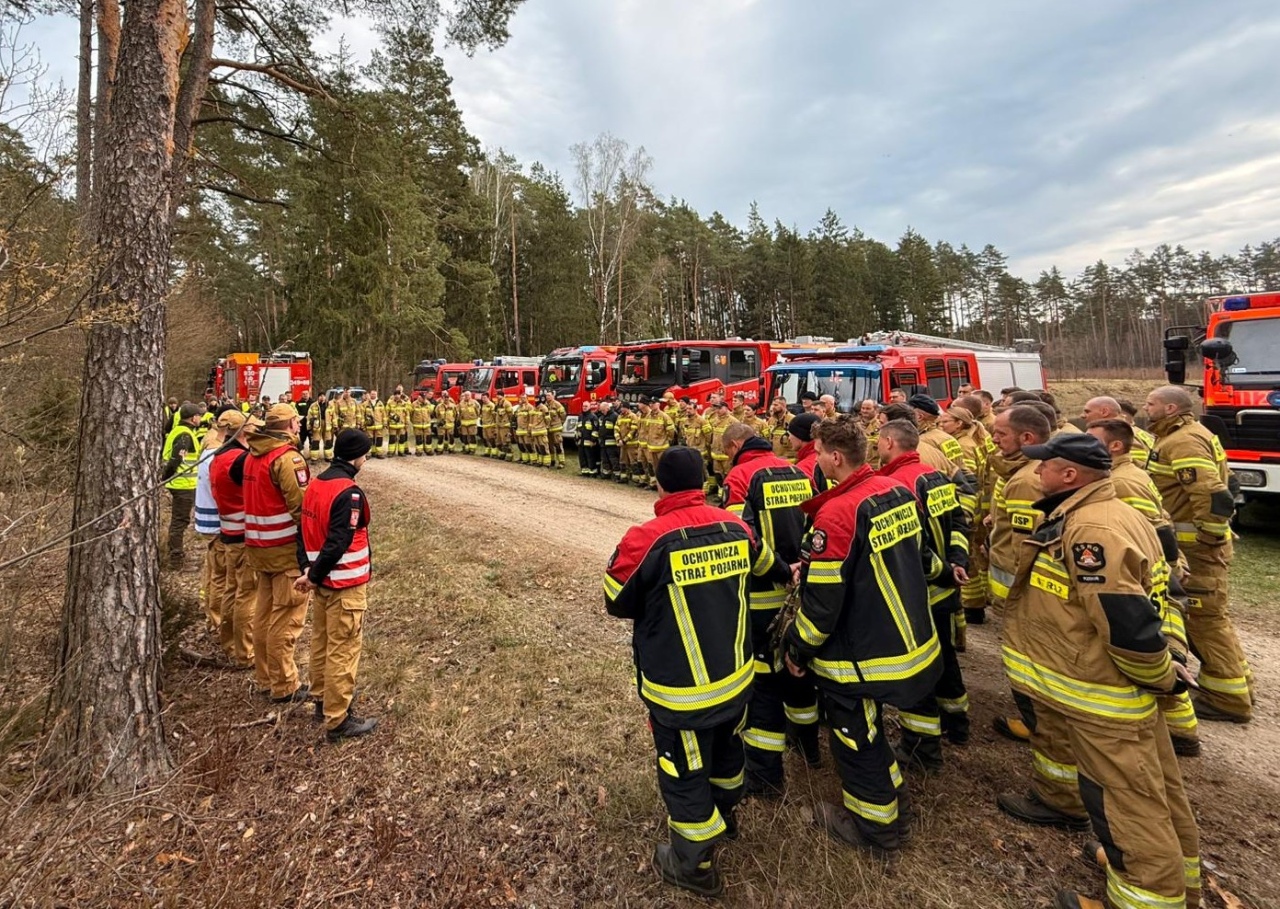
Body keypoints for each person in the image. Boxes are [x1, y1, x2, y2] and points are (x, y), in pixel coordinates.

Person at [996, 434, 1200, 909]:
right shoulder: (1104, 513)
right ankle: (1173, 882)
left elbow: (1126, 623)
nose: (1037, 473)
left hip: (1103, 691)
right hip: (1099, 687)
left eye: (1044, 466)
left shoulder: (1093, 532)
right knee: (1153, 792)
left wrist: (1158, 676)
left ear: (1070, 475)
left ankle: (1145, 895)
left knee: (1126, 802)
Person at [604, 447, 791, 897]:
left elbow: (616, 598)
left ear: (659, 485)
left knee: (684, 772)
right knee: (727, 755)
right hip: (737, 677)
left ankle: (694, 864)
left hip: (681, 689)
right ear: (704, 483)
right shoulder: (736, 526)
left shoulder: (646, 538)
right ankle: (725, 820)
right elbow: (772, 568)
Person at [782, 416, 940, 855]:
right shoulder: (896, 492)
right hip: (908, 636)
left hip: (862, 653)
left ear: (835, 457)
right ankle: (893, 802)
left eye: (818, 454)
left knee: (856, 739)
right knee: (870, 734)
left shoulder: (837, 513)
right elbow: (923, 561)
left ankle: (875, 829)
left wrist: (798, 646)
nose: (814, 460)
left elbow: (822, 601)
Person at [1087, 419, 1200, 756]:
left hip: (1145, 573)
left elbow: (1138, 533)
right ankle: (1179, 728)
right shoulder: (1129, 476)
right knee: (1159, 643)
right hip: (1155, 568)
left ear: (1116, 446)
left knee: (1153, 649)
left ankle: (1178, 732)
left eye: (1093, 440)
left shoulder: (1122, 484)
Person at [720, 422, 819, 792]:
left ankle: (764, 775)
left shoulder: (741, 476)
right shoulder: (795, 470)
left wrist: (778, 569)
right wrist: (799, 567)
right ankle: (809, 746)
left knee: (763, 683)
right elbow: (814, 523)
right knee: (798, 672)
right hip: (798, 594)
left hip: (763, 594)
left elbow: (737, 537)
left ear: (734, 446)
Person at [1145, 386, 1251, 723]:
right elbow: (1228, 483)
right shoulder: (1185, 434)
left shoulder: (1183, 441)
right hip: (1197, 546)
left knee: (1204, 620)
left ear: (1171, 408)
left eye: (1152, 404)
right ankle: (1237, 681)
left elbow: (1213, 494)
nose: (1146, 409)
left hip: (1197, 549)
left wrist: (1208, 538)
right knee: (1212, 618)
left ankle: (1227, 698)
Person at [877, 419, 971, 770]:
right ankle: (957, 724)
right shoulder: (936, 477)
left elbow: (911, 548)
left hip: (919, 592)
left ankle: (921, 748)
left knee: (918, 668)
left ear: (889, 442)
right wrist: (958, 561)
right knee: (946, 658)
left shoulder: (895, 484)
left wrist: (944, 570)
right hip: (945, 587)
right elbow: (959, 524)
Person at [296, 429, 379, 742]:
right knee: (343, 649)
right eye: (365, 454)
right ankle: (338, 719)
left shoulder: (316, 484)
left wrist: (308, 570)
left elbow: (301, 529)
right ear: (356, 456)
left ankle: (321, 699)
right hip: (344, 583)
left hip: (324, 582)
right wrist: (314, 575)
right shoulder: (349, 492)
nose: (366, 459)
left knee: (322, 642)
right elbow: (339, 541)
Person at [987, 405, 1051, 744]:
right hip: (1018, 590)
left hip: (1022, 592)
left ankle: (1035, 721)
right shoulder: (1021, 471)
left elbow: (1027, 548)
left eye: (1000, 434)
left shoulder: (1027, 481)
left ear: (1026, 438)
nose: (993, 439)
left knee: (1028, 654)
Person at [243, 404, 311, 703]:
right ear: (289, 425)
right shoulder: (286, 459)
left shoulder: (252, 455)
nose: (299, 424)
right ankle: (284, 685)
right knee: (286, 617)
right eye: (296, 420)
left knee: (264, 614)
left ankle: (265, 676)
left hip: (258, 548)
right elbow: (302, 507)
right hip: (284, 551)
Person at [209, 409, 256, 668]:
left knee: (231, 590)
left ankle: (228, 644)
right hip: (243, 535)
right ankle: (245, 652)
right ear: (243, 431)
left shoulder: (218, 457)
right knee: (246, 593)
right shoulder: (239, 460)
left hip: (228, 533)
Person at [161, 403, 203, 570]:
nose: (200, 417)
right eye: (198, 415)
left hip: (181, 483)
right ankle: (176, 560)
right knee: (180, 521)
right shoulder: (184, 435)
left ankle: (177, 556)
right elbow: (175, 460)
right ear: (193, 418)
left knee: (180, 520)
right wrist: (165, 479)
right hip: (182, 484)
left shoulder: (180, 431)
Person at [597, 399, 620, 478]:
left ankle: (617, 474)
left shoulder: (614, 416)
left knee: (613, 459)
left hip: (612, 442)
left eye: (603, 410)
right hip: (603, 442)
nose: (602, 412)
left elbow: (617, 429)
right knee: (604, 458)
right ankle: (606, 473)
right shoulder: (602, 417)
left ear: (607, 408)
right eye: (601, 410)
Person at [457, 391, 481, 455]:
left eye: (468, 395)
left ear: (470, 396)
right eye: (465, 395)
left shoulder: (475, 403)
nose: (466, 396)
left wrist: (476, 418)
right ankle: (466, 449)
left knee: (472, 436)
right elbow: (459, 412)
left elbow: (478, 411)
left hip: (472, 423)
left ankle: (472, 450)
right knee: (464, 436)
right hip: (464, 423)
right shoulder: (461, 403)